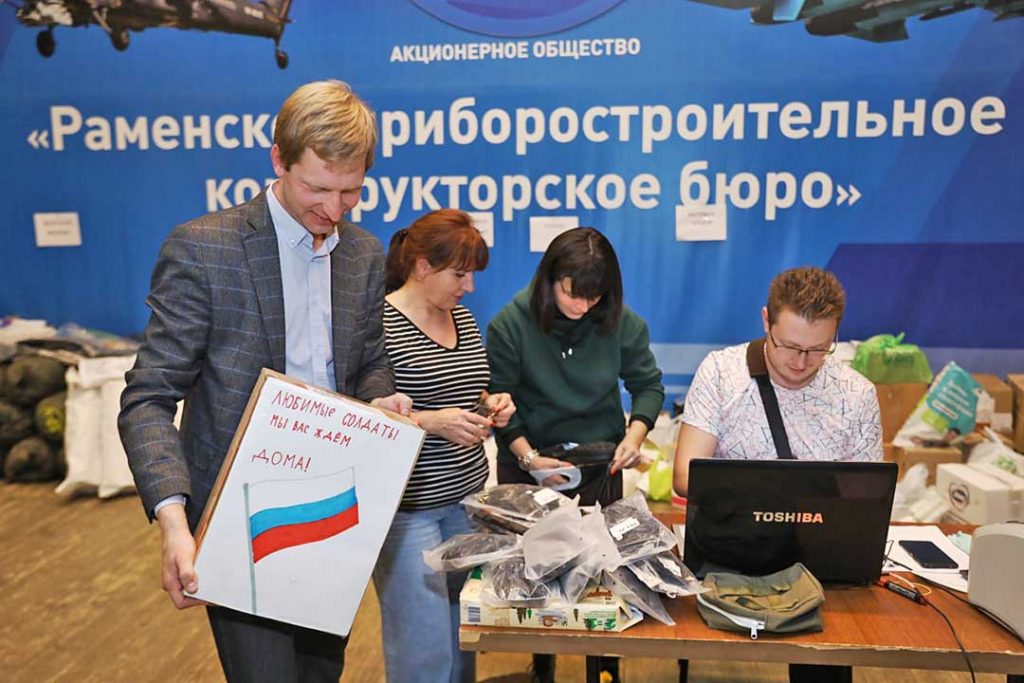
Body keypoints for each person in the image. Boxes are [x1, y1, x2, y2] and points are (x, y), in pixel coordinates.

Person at [118, 80, 411, 683]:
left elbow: (368, 363)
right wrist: (174, 520)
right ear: (279, 159)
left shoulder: (362, 254)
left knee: (320, 674)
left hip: (333, 512)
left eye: (351, 192)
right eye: (318, 189)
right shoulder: (204, 250)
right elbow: (148, 398)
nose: (334, 210)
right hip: (239, 517)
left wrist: (381, 397)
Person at [673, 266, 881, 683]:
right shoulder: (722, 372)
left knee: (828, 656)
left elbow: (867, 498)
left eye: (819, 349)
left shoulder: (856, 393)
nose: (801, 363)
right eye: (790, 346)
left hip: (819, 563)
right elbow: (685, 476)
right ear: (766, 320)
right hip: (727, 554)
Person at [486, 227, 665, 683]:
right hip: (530, 463)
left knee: (603, 578)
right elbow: (501, 404)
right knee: (536, 578)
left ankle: (605, 669)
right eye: (572, 293)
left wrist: (635, 435)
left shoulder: (622, 322)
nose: (583, 306)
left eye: (594, 297)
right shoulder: (510, 324)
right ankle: (542, 666)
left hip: (598, 464)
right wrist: (529, 459)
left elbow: (648, 385)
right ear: (549, 279)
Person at [372, 209, 515, 683]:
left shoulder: (462, 318)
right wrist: (429, 423)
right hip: (409, 509)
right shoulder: (380, 326)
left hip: (466, 501)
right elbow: (360, 416)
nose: (468, 287)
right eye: (459, 275)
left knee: (462, 638)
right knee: (423, 650)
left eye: (472, 275)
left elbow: (468, 386)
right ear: (421, 267)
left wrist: (491, 402)